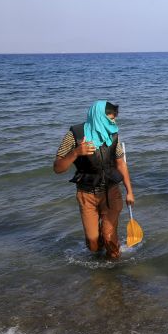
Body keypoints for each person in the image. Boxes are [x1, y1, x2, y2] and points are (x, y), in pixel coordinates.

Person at [53, 100, 135, 259]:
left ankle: (114, 274)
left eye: (114, 119)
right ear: (97, 117)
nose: (113, 122)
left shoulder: (112, 134)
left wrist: (129, 192)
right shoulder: (74, 135)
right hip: (86, 195)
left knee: (110, 238)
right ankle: (98, 268)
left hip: (111, 192)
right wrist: (76, 153)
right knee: (93, 244)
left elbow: (121, 164)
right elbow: (57, 168)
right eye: (110, 119)